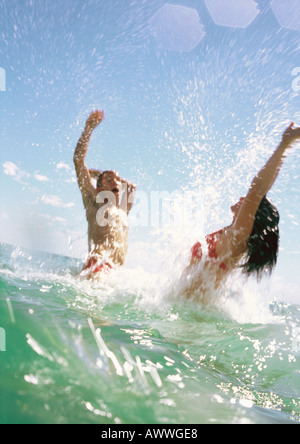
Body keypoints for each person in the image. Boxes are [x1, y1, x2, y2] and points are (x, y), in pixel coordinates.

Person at [183, 123, 300, 297]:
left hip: (191, 317)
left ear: (254, 216)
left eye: (249, 203)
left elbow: (257, 189)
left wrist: (285, 145)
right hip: (191, 312)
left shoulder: (237, 239)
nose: (242, 199)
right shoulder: (231, 236)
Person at [73, 110, 136, 279]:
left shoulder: (122, 211)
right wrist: (89, 128)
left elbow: (132, 188)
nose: (116, 182)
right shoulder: (94, 201)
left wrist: (109, 177)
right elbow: (78, 161)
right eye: (110, 179)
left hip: (116, 274)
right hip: (98, 265)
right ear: (99, 189)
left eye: (117, 180)